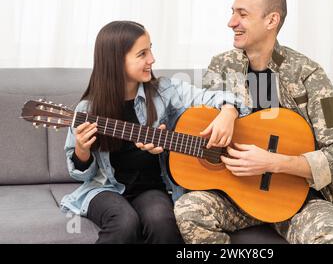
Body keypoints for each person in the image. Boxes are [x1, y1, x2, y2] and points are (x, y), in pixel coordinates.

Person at [174, 0, 333, 244]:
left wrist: (272, 162)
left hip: (300, 199)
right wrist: (228, 109)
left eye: (242, 14)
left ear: (272, 20)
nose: (231, 22)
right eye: (232, 12)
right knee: (189, 210)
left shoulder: (309, 75)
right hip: (237, 197)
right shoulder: (221, 66)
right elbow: (200, 127)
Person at [60, 20, 248, 244]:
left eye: (151, 48)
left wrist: (228, 111)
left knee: (162, 222)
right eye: (142, 53)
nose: (152, 59)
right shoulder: (87, 110)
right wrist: (82, 150)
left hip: (150, 189)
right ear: (116, 61)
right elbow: (81, 174)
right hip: (104, 188)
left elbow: (215, 97)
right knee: (124, 222)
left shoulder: (165, 91)